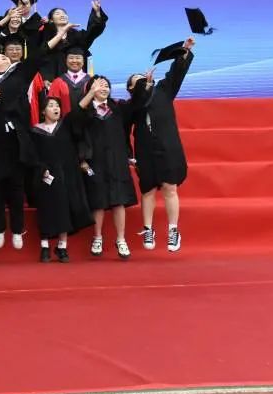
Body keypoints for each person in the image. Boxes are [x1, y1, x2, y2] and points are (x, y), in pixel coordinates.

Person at [0, 29, 68, 250]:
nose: (5, 57)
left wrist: (59, 34)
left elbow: (38, 55)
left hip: (16, 141)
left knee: (16, 188)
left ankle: (17, 230)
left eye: (5, 56)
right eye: (0, 56)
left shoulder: (19, 75)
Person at [129, 38, 195, 253]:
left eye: (144, 78)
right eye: (137, 81)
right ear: (131, 88)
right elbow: (123, 127)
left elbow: (176, 73)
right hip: (145, 150)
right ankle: (148, 229)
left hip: (168, 147)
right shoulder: (132, 104)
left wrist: (184, 51)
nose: (143, 80)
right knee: (148, 189)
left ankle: (173, 230)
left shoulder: (164, 90)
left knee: (169, 187)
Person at [77, 76, 141, 259]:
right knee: (98, 201)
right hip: (94, 162)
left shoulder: (117, 107)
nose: (104, 88)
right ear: (90, 89)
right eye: (99, 86)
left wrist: (143, 85)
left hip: (116, 160)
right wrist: (82, 159)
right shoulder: (86, 111)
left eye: (106, 86)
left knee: (118, 200)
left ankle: (121, 239)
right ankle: (97, 237)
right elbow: (76, 128)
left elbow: (136, 105)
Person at [24, 97, 93, 262]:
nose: (56, 108)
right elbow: (31, 155)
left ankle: (62, 247)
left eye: (57, 106)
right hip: (45, 176)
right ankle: (45, 246)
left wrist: (91, 93)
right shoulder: (35, 132)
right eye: (51, 106)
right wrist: (41, 169)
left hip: (65, 176)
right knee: (46, 210)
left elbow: (77, 111)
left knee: (64, 210)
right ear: (43, 111)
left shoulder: (65, 126)